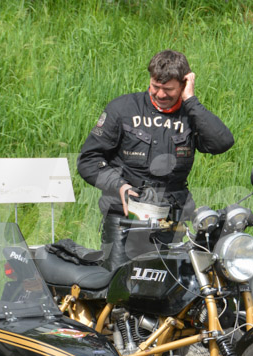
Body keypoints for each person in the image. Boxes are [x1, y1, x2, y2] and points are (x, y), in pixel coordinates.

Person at [77, 50, 234, 269]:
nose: (160, 94)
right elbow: (88, 159)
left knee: (172, 286)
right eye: (155, 86)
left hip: (171, 221)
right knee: (120, 286)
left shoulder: (191, 115)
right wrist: (118, 186)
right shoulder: (122, 109)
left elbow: (222, 142)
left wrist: (191, 101)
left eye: (168, 89)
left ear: (184, 84)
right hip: (125, 220)